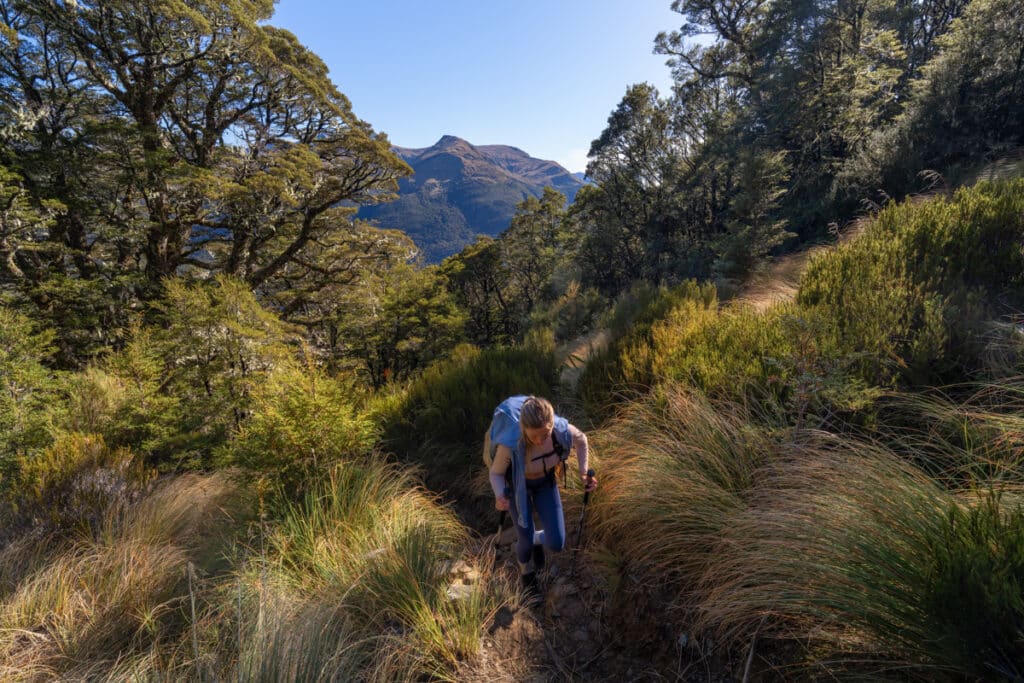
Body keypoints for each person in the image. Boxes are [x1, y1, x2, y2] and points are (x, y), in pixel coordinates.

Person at [488, 395, 597, 595]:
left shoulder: (561, 431)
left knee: (557, 543)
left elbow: (581, 439)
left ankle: (537, 540)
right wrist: (500, 495)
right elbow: (496, 474)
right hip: (518, 487)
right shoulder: (511, 444)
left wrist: (583, 472)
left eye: (545, 435)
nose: (539, 441)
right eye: (534, 436)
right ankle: (526, 572)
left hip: (546, 482)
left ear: (552, 424)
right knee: (525, 539)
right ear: (523, 429)